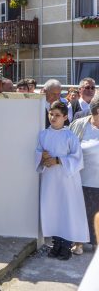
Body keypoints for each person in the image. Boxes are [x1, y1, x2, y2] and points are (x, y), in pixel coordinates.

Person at [36, 100, 89, 260]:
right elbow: (38, 151)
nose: (53, 117)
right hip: (50, 179)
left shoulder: (70, 136)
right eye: (51, 114)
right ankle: (56, 243)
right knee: (52, 209)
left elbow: (78, 159)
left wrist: (58, 160)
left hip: (67, 181)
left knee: (67, 210)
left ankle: (66, 245)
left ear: (65, 117)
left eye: (57, 115)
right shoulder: (43, 134)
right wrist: (42, 157)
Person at [70, 95, 99, 255]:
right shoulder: (80, 125)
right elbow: (68, 145)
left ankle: (96, 244)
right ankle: (78, 242)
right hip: (82, 180)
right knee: (81, 212)